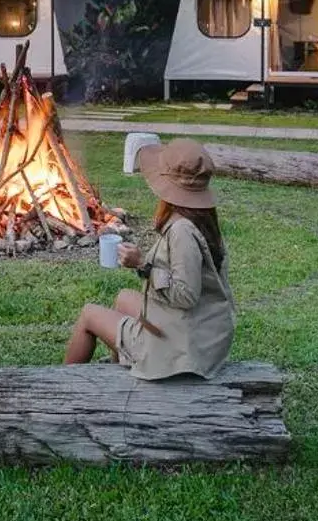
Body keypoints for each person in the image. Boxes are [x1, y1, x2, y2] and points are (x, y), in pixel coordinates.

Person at [64, 138, 234, 379]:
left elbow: (186, 295)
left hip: (181, 350)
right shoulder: (203, 220)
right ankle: (121, 373)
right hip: (203, 335)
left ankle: (62, 385)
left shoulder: (182, 231)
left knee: (89, 314)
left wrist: (143, 264)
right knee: (124, 297)